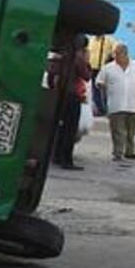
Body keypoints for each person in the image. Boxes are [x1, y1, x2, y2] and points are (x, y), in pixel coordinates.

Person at [95, 43, 135, 162]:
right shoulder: (108, 68)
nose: (115, 56)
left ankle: (130, 152)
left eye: (117, 53)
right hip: (116, 104)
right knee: (117, 131)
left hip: (133, 104)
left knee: (131, 131)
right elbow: (99, 82)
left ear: (125, 54)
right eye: (114, 53)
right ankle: (118, 152)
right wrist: (106, 93)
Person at [53, 35, 93, 171]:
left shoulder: (62, 55)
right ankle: (66, 159)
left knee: (61, 127)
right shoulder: (78, 57)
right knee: (70, 129)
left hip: (60, 94)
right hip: (73, 95)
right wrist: (87, 62)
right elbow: (87, 76)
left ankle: (57, 155)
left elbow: (52, 73)